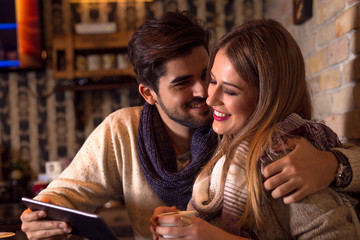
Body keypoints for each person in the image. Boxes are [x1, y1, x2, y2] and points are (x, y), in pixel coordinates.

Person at [21, 12, 360, 240]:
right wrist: (41, 215)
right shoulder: (123, 130)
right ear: (149, 94)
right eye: (184, 83)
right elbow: (64, 194)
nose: (206, 94)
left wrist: (333, 164)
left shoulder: (256, 139)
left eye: (209, 77)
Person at [151, 19, 360, 240]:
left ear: (266, 99)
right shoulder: (230, 145)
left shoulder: (281, 155)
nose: (210, 99)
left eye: (230, 91)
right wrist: (183, 223)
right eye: (212, 81)